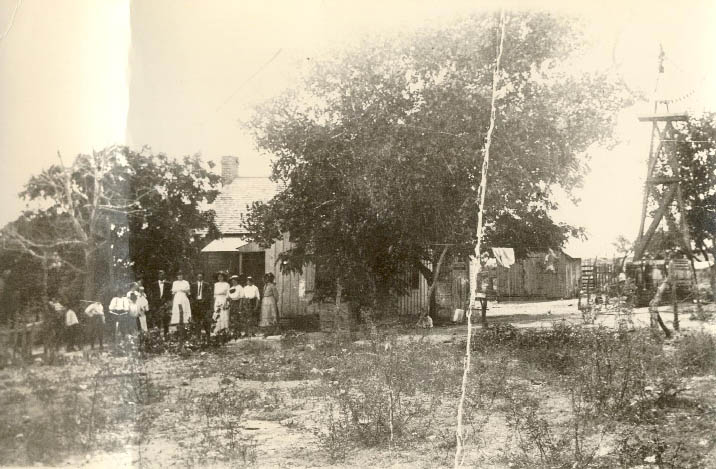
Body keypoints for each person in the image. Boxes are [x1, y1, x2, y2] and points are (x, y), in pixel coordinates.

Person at [148, 269, 172, 335]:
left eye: (163, 274)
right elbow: (152, 295)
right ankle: (157, 335)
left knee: (166, 320)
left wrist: (167, 303)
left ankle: (166, 335)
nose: (161, 275)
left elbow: (170, 295)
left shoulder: (168, 284)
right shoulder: (154, 284)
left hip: (165, 304)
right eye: (160, 274)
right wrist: (154, 304)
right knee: (157, 320)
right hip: (157, 304)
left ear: (164, 275)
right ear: (158, 275)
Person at [191, 273, 213, 343]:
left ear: (203, 277)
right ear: (196, 277)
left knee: (206, 321)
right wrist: (194, 301)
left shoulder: (206, 285)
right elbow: (191, 295)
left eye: (201, 277)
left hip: (204, 304)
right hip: (196, 305)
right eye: (198, 276)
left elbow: (209, 294)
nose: (200, 278)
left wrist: (204, 300)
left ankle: (208, 337)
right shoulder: (193, 285)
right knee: (197, 321)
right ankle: (198, 337)